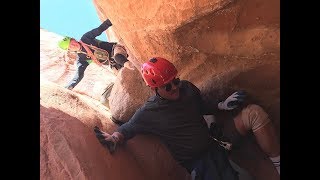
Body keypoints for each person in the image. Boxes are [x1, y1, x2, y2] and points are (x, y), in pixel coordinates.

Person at [93, 57, 280, 179]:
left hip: (215, 142)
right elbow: (129, 128)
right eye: (167, 86)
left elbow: (202, 106)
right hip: (198, 161)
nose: (174, 87)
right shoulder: (150, 112)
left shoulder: (187, 88)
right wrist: (114, 138)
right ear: (154, 89)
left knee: (253, 113)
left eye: (175, 81)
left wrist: (221, 105)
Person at [58, 18, 129, 91]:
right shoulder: (81, 59)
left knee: (118, 57)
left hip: (116, 49)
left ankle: (128, 64)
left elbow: (99, 30)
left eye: (72, 42)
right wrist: (71, 85)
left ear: (74, 39)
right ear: (70, 50)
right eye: (70, 46)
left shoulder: (86, 38)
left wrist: (111, 19)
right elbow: (79, 74)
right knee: (123, 78)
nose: (73, 45)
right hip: (114, 64)